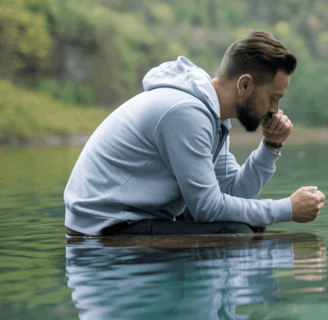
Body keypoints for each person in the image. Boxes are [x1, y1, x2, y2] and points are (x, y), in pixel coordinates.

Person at [64, 30, 325, 236]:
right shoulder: (185, 112)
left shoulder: (213, 118)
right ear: (244, 85)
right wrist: (287, 209)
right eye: (273, 97)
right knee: (235, 233)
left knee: (246, 225)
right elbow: (207, 208)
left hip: (138, 217)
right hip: (104, 227)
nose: (275, 110)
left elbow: (234, 196)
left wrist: (270, 146)